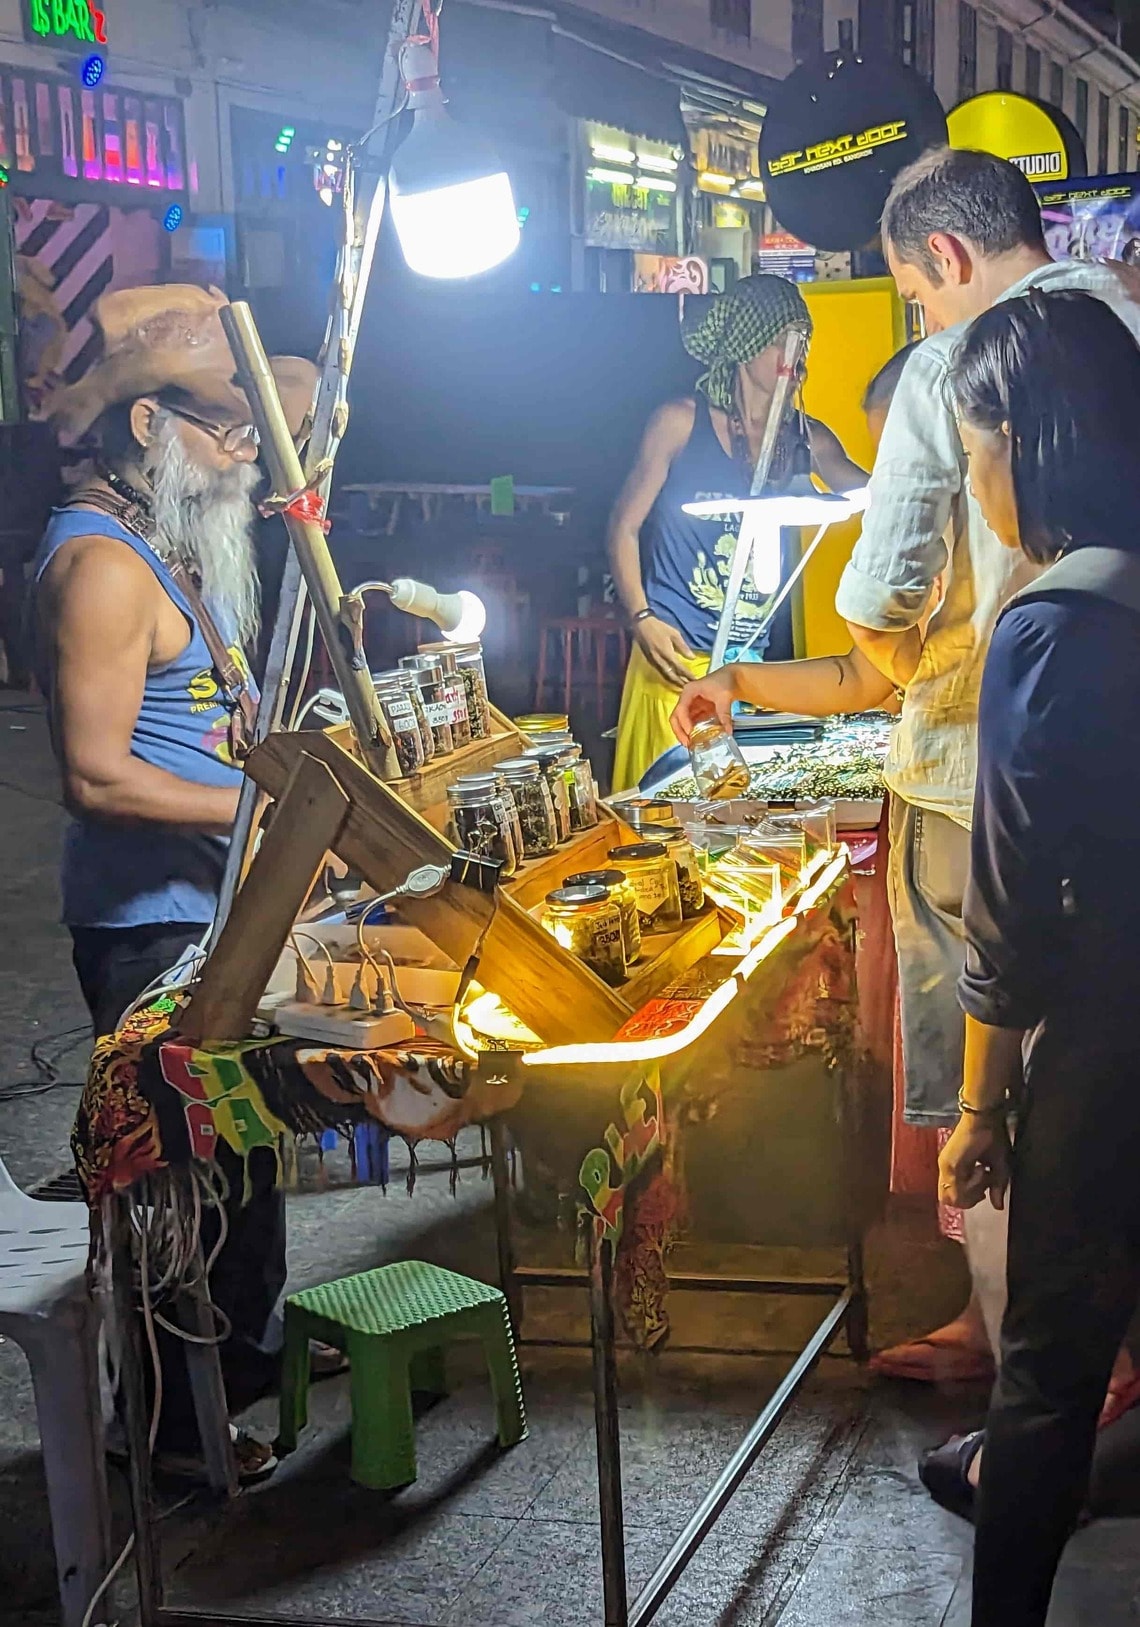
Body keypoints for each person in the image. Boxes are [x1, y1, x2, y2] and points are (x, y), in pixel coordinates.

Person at [672, 146, 1140, 1390]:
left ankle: (1045, 1386)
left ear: (944, 258)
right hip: (1117, 763)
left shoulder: (954, 366)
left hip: (972, 781)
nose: (925, 321)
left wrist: (904, 641)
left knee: (987, 1104)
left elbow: (879, 604)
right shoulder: (1126, 319)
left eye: (917, 295)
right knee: (1093, 1076)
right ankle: (1030, 1342)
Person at [32, 283, 318, 1481]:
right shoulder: (100, 566)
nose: (247, 453)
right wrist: (271, 817)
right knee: (179, 1189)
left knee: (242, 1165)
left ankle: (231, 1379)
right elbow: (96, 777)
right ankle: (172, 1439)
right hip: (151, 929)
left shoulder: (167, 534)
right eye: (225, 427)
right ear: (146, 426)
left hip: (212, 909)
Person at [932, 288, 1140, 1625]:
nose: (975, 481)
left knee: (1049, 1371)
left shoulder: (1052, 618)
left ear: (1028, 441)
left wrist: (977, 1104)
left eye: (973, 453)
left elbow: (1006, 910)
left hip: (1111, 1044)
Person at [608, 272, 865, 792]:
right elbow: (623, 527)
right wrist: (641, 619)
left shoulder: (806, 440)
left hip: (748, 666)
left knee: (734, 822)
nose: (796, 359)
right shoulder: (680, 423)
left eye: (803, 343)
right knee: (665, 817)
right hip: (676, 662)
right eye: (781, 343)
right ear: (747, 347)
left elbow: (880, 498)